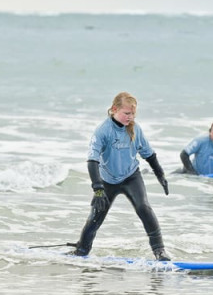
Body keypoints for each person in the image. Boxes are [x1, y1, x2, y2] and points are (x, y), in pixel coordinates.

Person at [71, 92, 171, 261]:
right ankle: (81, 250)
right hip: (107, 180)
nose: (130, 117)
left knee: (143, 208)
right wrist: (98, 189)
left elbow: (149, 154)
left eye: (132, 114)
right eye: (126, 113)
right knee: (95, 216)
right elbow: (92, 160)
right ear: (114, 110)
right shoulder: (103, 131)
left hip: (131, 177)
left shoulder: (135, 129)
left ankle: (160, 251)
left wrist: (160, 174)